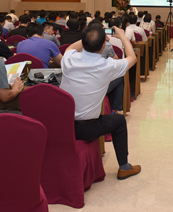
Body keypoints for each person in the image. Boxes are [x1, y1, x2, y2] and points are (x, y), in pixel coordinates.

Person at [60, 24, 141, 180]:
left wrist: (90, 37)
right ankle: (124, 167)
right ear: (104, 45)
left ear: (84, 41)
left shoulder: (69, 59)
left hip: (62, 125)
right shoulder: (107, 65)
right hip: (86, 129)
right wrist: (123, 36)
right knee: (119, 121)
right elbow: (132, 58)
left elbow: (70, 48)